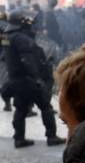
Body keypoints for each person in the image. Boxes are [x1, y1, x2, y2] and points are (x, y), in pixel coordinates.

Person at [4, 9, 64, 148]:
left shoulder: (7, 37)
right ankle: (52, 136)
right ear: (22, 22)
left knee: (20, 109)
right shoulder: (21, 38)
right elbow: (27, 60)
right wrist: (37, 78)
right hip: (28, 79)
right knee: (46, 107)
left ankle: (19, 139)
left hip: (16, 79)